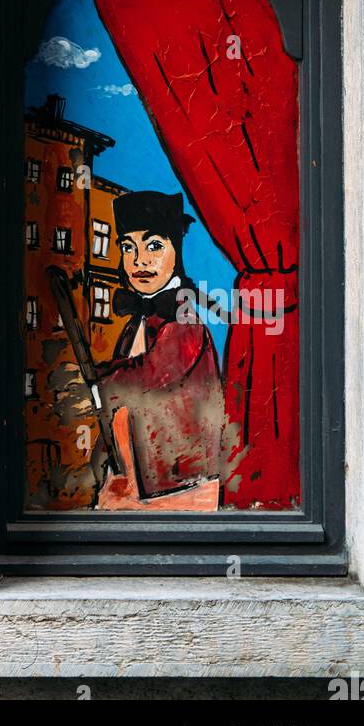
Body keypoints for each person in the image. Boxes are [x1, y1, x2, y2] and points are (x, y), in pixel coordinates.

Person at [94, 190, 225, 508]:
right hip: (131, 483)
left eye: (154, 245)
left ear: (176, 252)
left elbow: (143, 378)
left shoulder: (184, 320)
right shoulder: (134, 325)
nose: (139, 260)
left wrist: (92, 382)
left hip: (180, 490)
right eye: (128, 247)